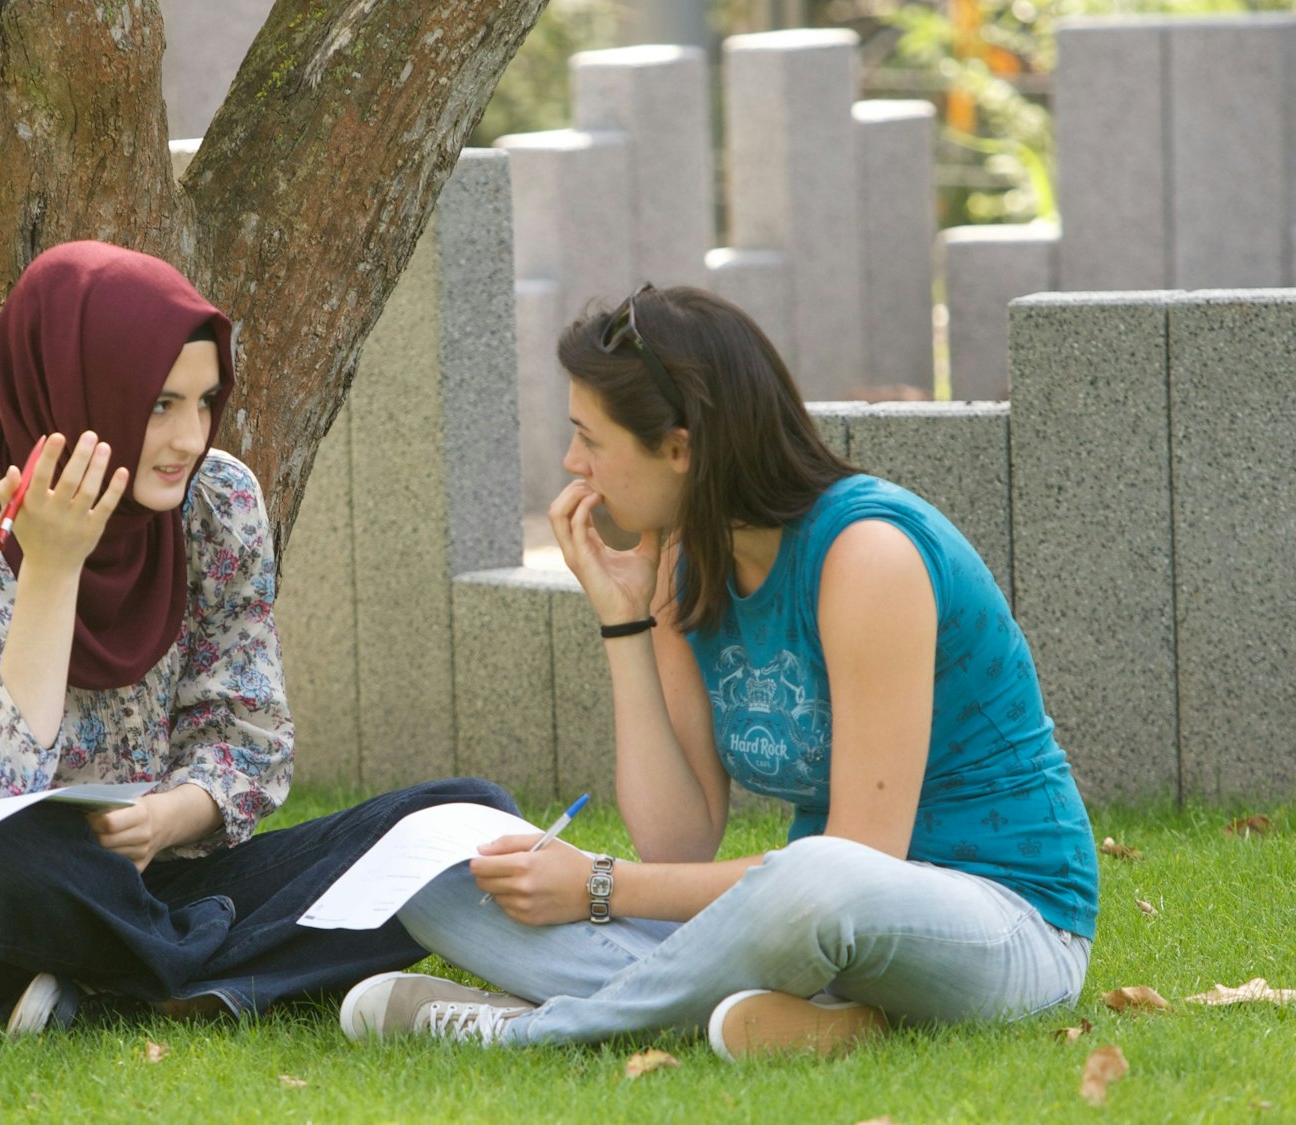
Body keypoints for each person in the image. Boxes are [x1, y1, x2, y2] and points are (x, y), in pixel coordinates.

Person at [339, 285, 1098, 1057]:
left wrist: (600, 885)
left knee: (819, 878)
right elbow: (678, 841)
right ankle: (812, 1016)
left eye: (589, 439)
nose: (573, 464)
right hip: (807, 931)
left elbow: (864, 860)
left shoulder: (867, 555)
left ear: (679, 448)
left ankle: (534, 1028)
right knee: (442, 874)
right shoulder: (685, 558)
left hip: (1006, 924)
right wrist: (626, 619)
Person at [0, 240, 515, 1032]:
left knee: (466, 821)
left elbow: (250, 734)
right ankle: (217, 972)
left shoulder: (218, 502)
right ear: (81, 388)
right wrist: (54, 568)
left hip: (165, 882)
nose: (189, 437)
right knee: (10, 865)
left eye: (204, 402)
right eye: (159, 403)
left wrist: (168, 818)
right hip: (2, 896)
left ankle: (122, 981)